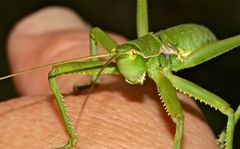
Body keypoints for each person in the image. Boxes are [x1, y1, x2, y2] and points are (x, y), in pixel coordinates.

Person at [0, 7, 217, 148]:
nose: (122, 68)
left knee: (213, 113)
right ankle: (72, 139)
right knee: (57, 69)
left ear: (137, 56)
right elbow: (95, 33)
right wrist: (95, 77)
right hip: (145, 49)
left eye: (130, 59)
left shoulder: (160, 71)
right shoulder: (123, 54)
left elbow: (180, 121)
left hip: (188, 49)